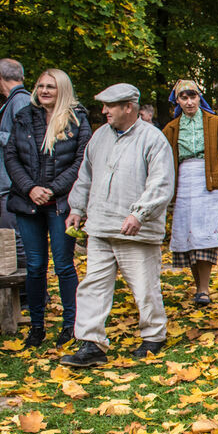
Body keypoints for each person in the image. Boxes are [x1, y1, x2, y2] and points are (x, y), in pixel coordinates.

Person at [62, 83, 175, 367]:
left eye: (109, 106)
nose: (103, 111)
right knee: (93, 286)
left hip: (135, 230)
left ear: (128, 107)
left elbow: (161, 184)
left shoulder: (153, 139)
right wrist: (77, 207)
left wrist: (139, 214)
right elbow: (85, 175)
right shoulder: (99, 137)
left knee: (144, 287)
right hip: (100, 226)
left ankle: (153, 336)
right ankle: (91, 343)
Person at [5, 68, 90, 348]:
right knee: (35, 266)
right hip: (27, 202)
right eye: (40, 86)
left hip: (61, 204)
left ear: (62, 89)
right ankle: (37, 326)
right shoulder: (24, 118)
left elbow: (82, 161)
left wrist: (53, 189)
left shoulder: (78, 119)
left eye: (50, 87)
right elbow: (11, 156)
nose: (43, 91)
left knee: (64, 265)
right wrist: (30, 188)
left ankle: (70, 325)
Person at [161, 80, 218, 307]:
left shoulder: (216, 122)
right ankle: (199, 288)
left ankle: (203, 288)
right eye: (183, 98)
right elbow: (163, 159)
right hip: (183, 182)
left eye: (192, 96)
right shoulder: (171, 128)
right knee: (189, 236)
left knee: (204, 236)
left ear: (199, 97)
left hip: (210, 182)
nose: (189, 101)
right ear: (178, 101)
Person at [0, 57, 31, 267]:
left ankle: (26, 296)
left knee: (16, 241)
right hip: (10, 184)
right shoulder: (15, 101)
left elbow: (25, 141)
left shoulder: (20, 101)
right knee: (12, 239)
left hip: (15, 185)